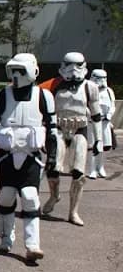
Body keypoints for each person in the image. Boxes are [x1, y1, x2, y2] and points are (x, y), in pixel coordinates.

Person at [0, 53, 56, 260]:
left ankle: (33, 245)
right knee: (6, 196)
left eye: (20, 70)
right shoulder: (0, 96)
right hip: (7, 155)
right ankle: (6, 237)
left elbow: (52, 129)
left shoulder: (43, 96)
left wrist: (53, 156)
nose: (16, 75)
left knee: (30, 197)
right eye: (12, 70)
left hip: (31, 156)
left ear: (33, 71)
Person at [40, 52, 102, 226]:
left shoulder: (90, 87)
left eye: (77, 65)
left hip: (79, 131)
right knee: (52, 168)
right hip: (59, 130)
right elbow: (44, 112)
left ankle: (73, 212)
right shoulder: (54, 85)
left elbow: (96, 116)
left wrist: (98, 140)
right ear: (62, 65)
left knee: (78, 174)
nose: (73, 70)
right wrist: (43, 134)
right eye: (68, 64)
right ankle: (54, 196)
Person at [87, 69, 116, 179]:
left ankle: (101, 167)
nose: (102, 80)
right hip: (92, 123)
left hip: (105, 123)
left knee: (105, 146)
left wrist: (109, 115)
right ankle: (92, 169)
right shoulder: (88, 90)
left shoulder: (109, 91)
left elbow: (112, 105)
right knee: (93, 146)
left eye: (104, 78)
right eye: (99, 78)